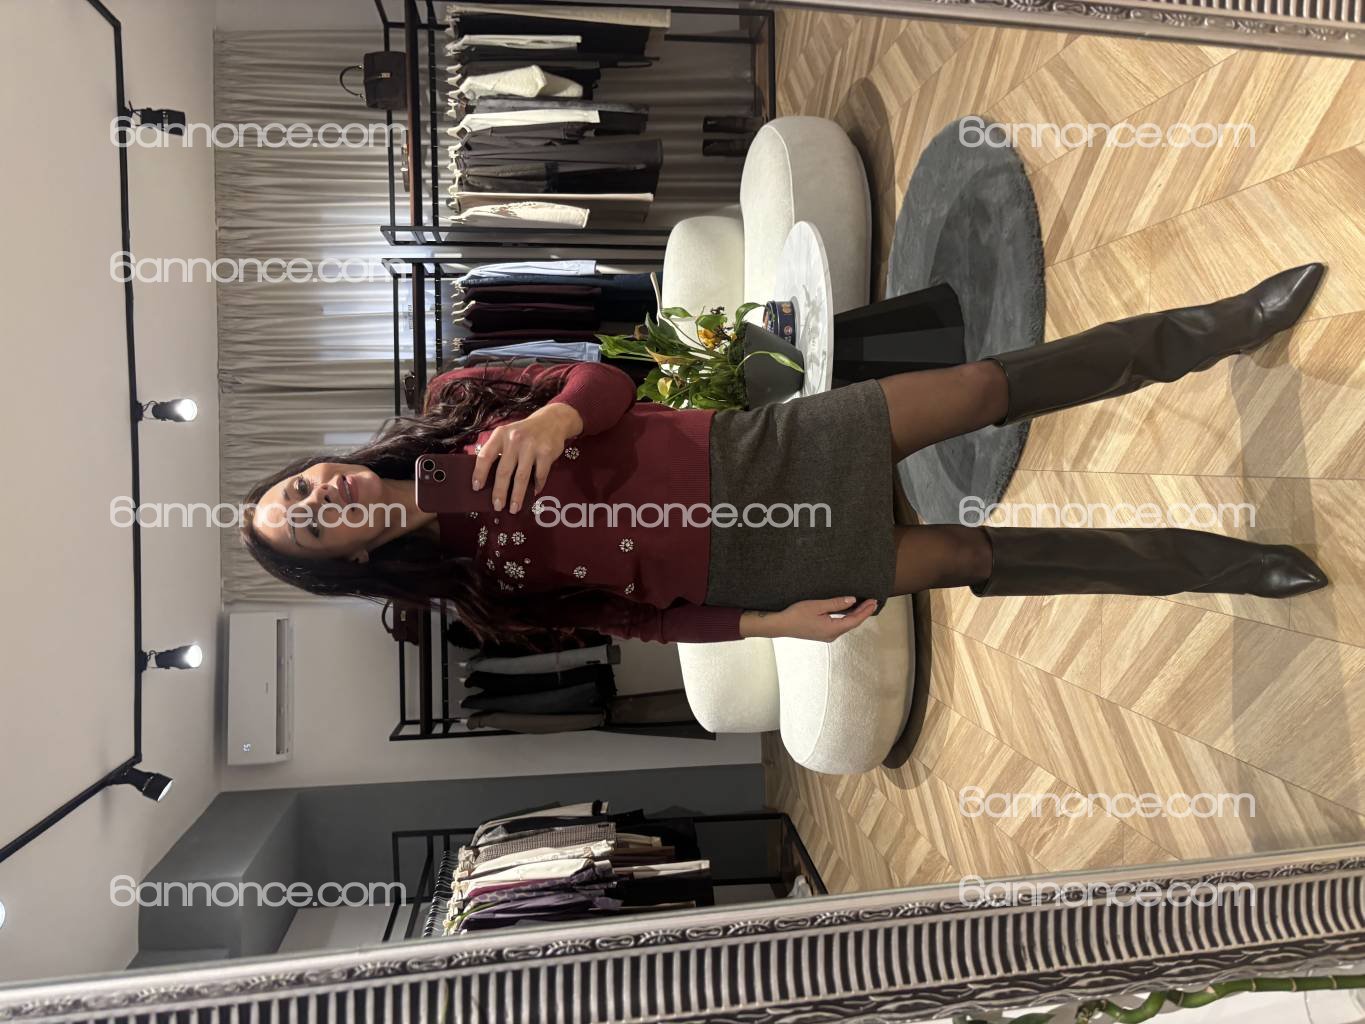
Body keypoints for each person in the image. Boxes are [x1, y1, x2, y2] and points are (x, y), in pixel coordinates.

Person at [242, 264, 1329, 645]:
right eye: (312, 525)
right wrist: (767, 627)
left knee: (983, 387)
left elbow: (614, 381)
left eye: (299, 487)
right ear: (346, 561)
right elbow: (629, 621)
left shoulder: (455, 404)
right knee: (969, 556)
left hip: (756, 452)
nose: (322, 496)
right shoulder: (476, 593)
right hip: (752, 565)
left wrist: (555, 418)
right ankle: (1227, 564)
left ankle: (1222, 326)